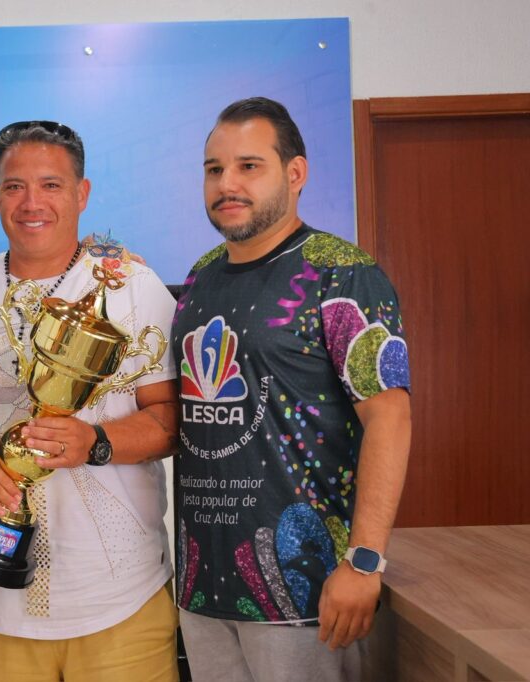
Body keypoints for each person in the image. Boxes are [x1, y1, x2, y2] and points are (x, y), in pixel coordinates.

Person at [0, 120, 180, 681]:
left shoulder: (133, 287)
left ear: (82, 193)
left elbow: (169, 419)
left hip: (120, 599)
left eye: (51, 185)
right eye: (15, 186)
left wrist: (97, 442)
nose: (32, 202)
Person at [172, 97, 412, 681]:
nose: (227, 184)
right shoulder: (200, 276)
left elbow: (390, 419)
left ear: (295, 172)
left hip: (308, 595)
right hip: (203, 588)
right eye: (214, 169)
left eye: (249, 166)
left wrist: (365, 560)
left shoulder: (342, 273)